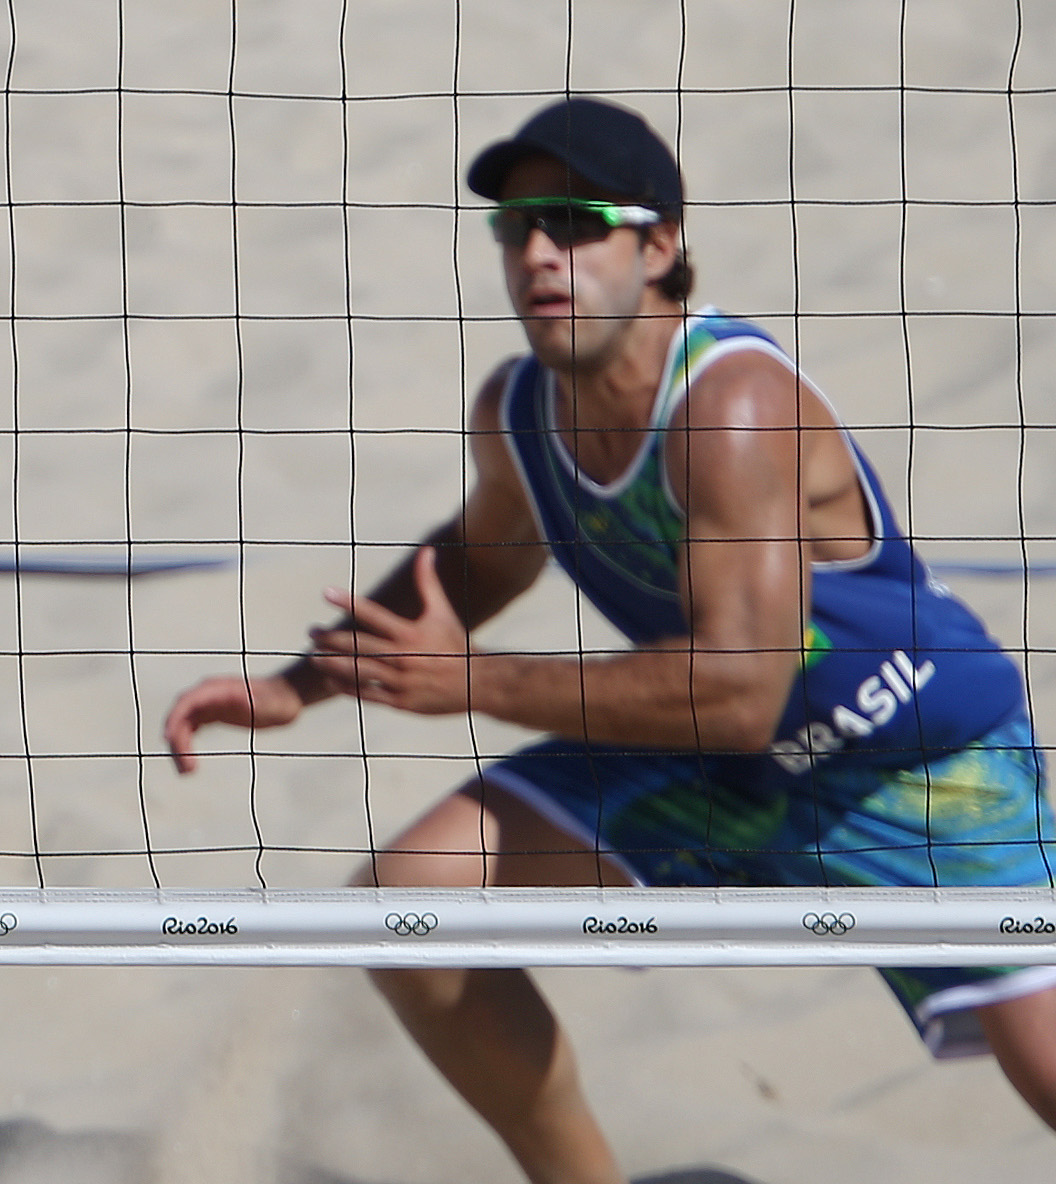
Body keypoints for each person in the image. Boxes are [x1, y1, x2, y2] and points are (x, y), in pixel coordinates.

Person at [163, 96, 1056, 1184]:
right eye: (515, 229)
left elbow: (738, 694)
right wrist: (302, 684)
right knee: (410, 903)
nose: (538, 253)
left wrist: (473, 683)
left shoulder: (732, 408)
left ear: (661, 243)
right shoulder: (521, 409)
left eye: (575, 221)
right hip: (717, 763)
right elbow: (487, 556)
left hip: (913, 762)